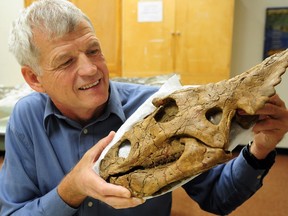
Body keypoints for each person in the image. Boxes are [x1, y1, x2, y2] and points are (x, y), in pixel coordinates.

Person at [0, 0, 288, 215]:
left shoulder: (158, 106)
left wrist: (260, 150)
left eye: (93, 50)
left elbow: (216, 196)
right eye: (66, 61)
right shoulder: (27, 119)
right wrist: (71, 189)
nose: (91, 69)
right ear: (34, 78)